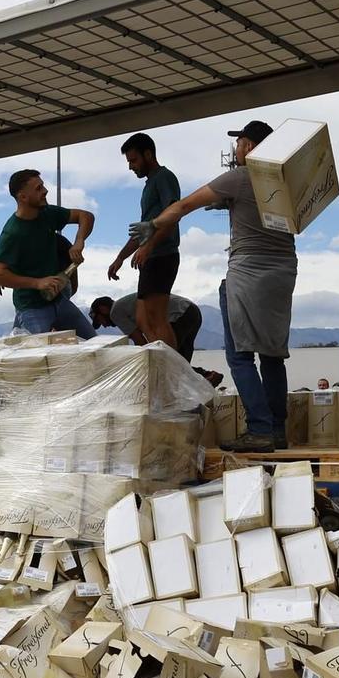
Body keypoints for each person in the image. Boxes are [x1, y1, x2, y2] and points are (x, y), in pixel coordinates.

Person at [140, 120, 293, 451]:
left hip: (248, 270)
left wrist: (152, 225)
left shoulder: (239, 178)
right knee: (272, 355)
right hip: (283, 271)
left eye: (239, 143)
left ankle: (260, 429)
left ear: (250, 147)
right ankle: (278, 429)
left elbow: (183, 206)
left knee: (239, 356)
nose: (236, 149)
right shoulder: (282, 182)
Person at [0, 169, 96, 337]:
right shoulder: (13, 232)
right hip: (31, 308)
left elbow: (85, 216)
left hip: (59, 301)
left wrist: (79, 241)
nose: (45, 191)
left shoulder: (48, 213)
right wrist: (37, 283)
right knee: (39, 357)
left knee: (93, 344)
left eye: (43, 186)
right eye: (38, 188)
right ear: (23, 197)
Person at [105, 133, 184, 348]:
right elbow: (143, 229)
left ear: (148, 154)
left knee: (156, 319)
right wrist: (120, 258)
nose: (131, 167)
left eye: (133, 160)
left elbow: (172, 216)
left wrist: (149, 246)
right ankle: (159, 363)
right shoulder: (149, 185)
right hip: (151, 257)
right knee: (143, 320)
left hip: (163, 256)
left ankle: (173, 371)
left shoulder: (164, 178)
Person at [91, 292, 203, 361]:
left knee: (169, 359)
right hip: (191, 310)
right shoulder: (125, 306)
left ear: (102, 309)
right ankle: (206, 377)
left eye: (100, 321)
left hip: (178, 315)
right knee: (181, 361)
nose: (104, 326)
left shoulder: (115, 312)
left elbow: (140, 341)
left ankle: (203, 376)